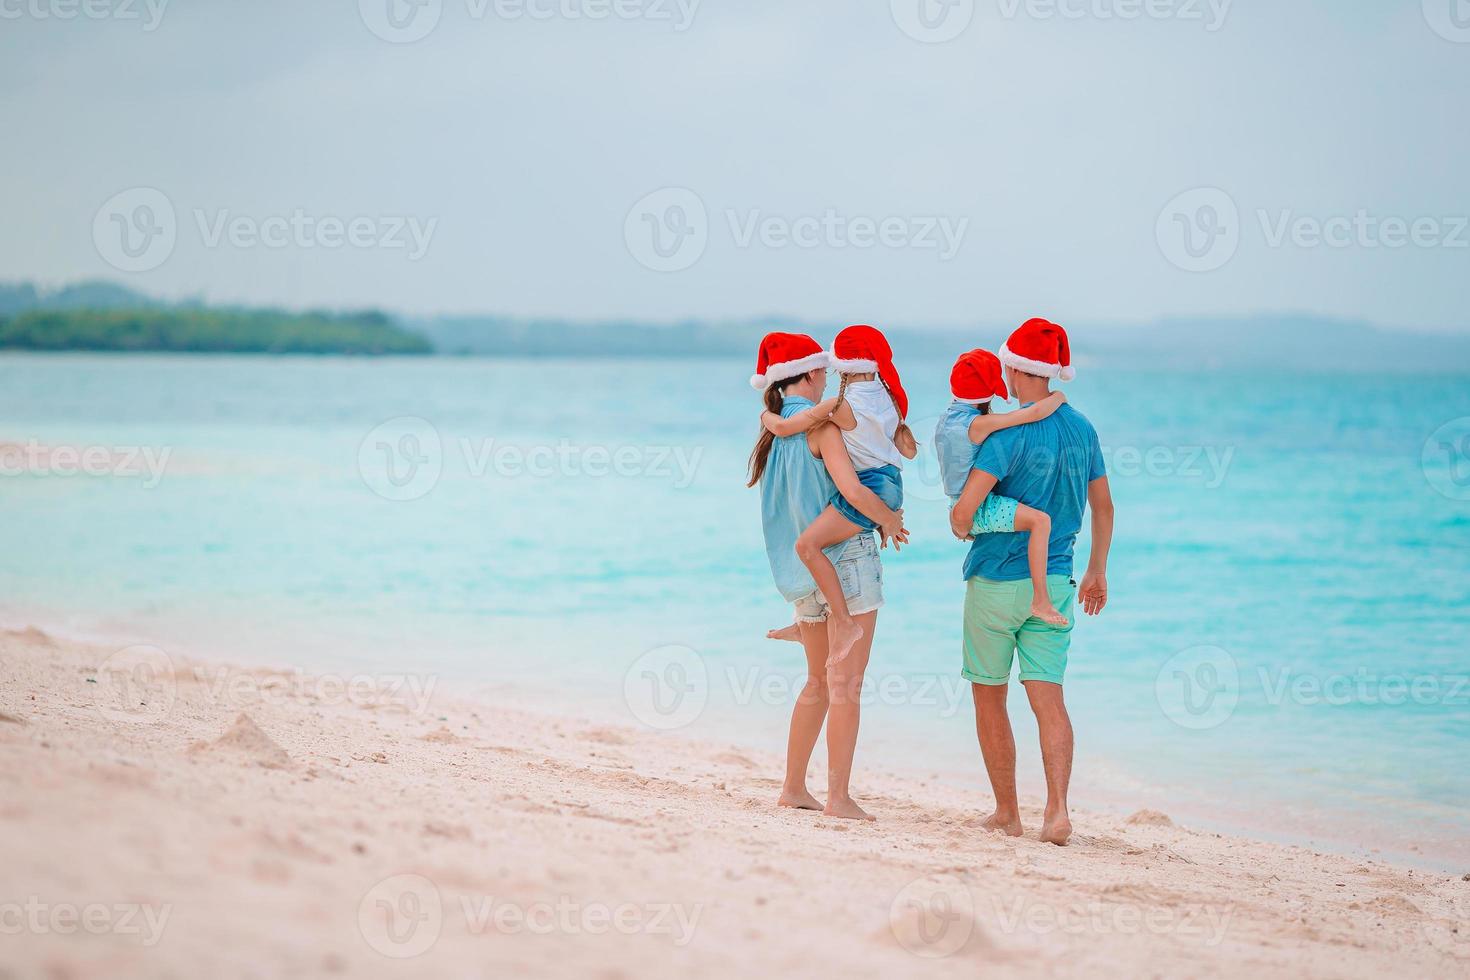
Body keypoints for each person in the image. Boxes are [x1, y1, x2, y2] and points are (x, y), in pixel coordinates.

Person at [948, 318, 1114, 847]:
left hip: (996, 581)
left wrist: (959, 520)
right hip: (1058, 582)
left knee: (989, 696)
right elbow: (1104, 506)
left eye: (1007, 366)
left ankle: (1007, 812)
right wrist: (1097, 569)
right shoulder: (1083, 429)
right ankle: (1058, 812)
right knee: (1050, 698)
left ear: (1017, 368)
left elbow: (966, 512)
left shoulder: (1007, 432)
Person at [747, 331, 908, 821]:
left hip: (802, 573)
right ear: (814, 373)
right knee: (847, 687)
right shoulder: (822, 429)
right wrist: (890, 519)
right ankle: (838, 798)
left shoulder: (772, 435)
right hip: (846, 563)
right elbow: (853, 491)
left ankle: (794, 787)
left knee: (817, 682)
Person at [763, 325, 915, 665]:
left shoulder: (839, 406)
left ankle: (842, 623)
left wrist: (767, 415)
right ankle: (811, 624)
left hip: (872, 486)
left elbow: (788, 428)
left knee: (807, 545)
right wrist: (888, 514)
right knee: (815, 540)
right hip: (890, 483)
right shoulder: (888, 399)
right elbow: (906, 449)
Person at [934, 348, 1070, 626]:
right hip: (978, 507)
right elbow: (1030, 414)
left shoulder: (946, 420)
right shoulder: (978, 424)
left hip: (958, 503)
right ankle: (1041, 600)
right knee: (1041, 521)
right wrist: (1059, 397)